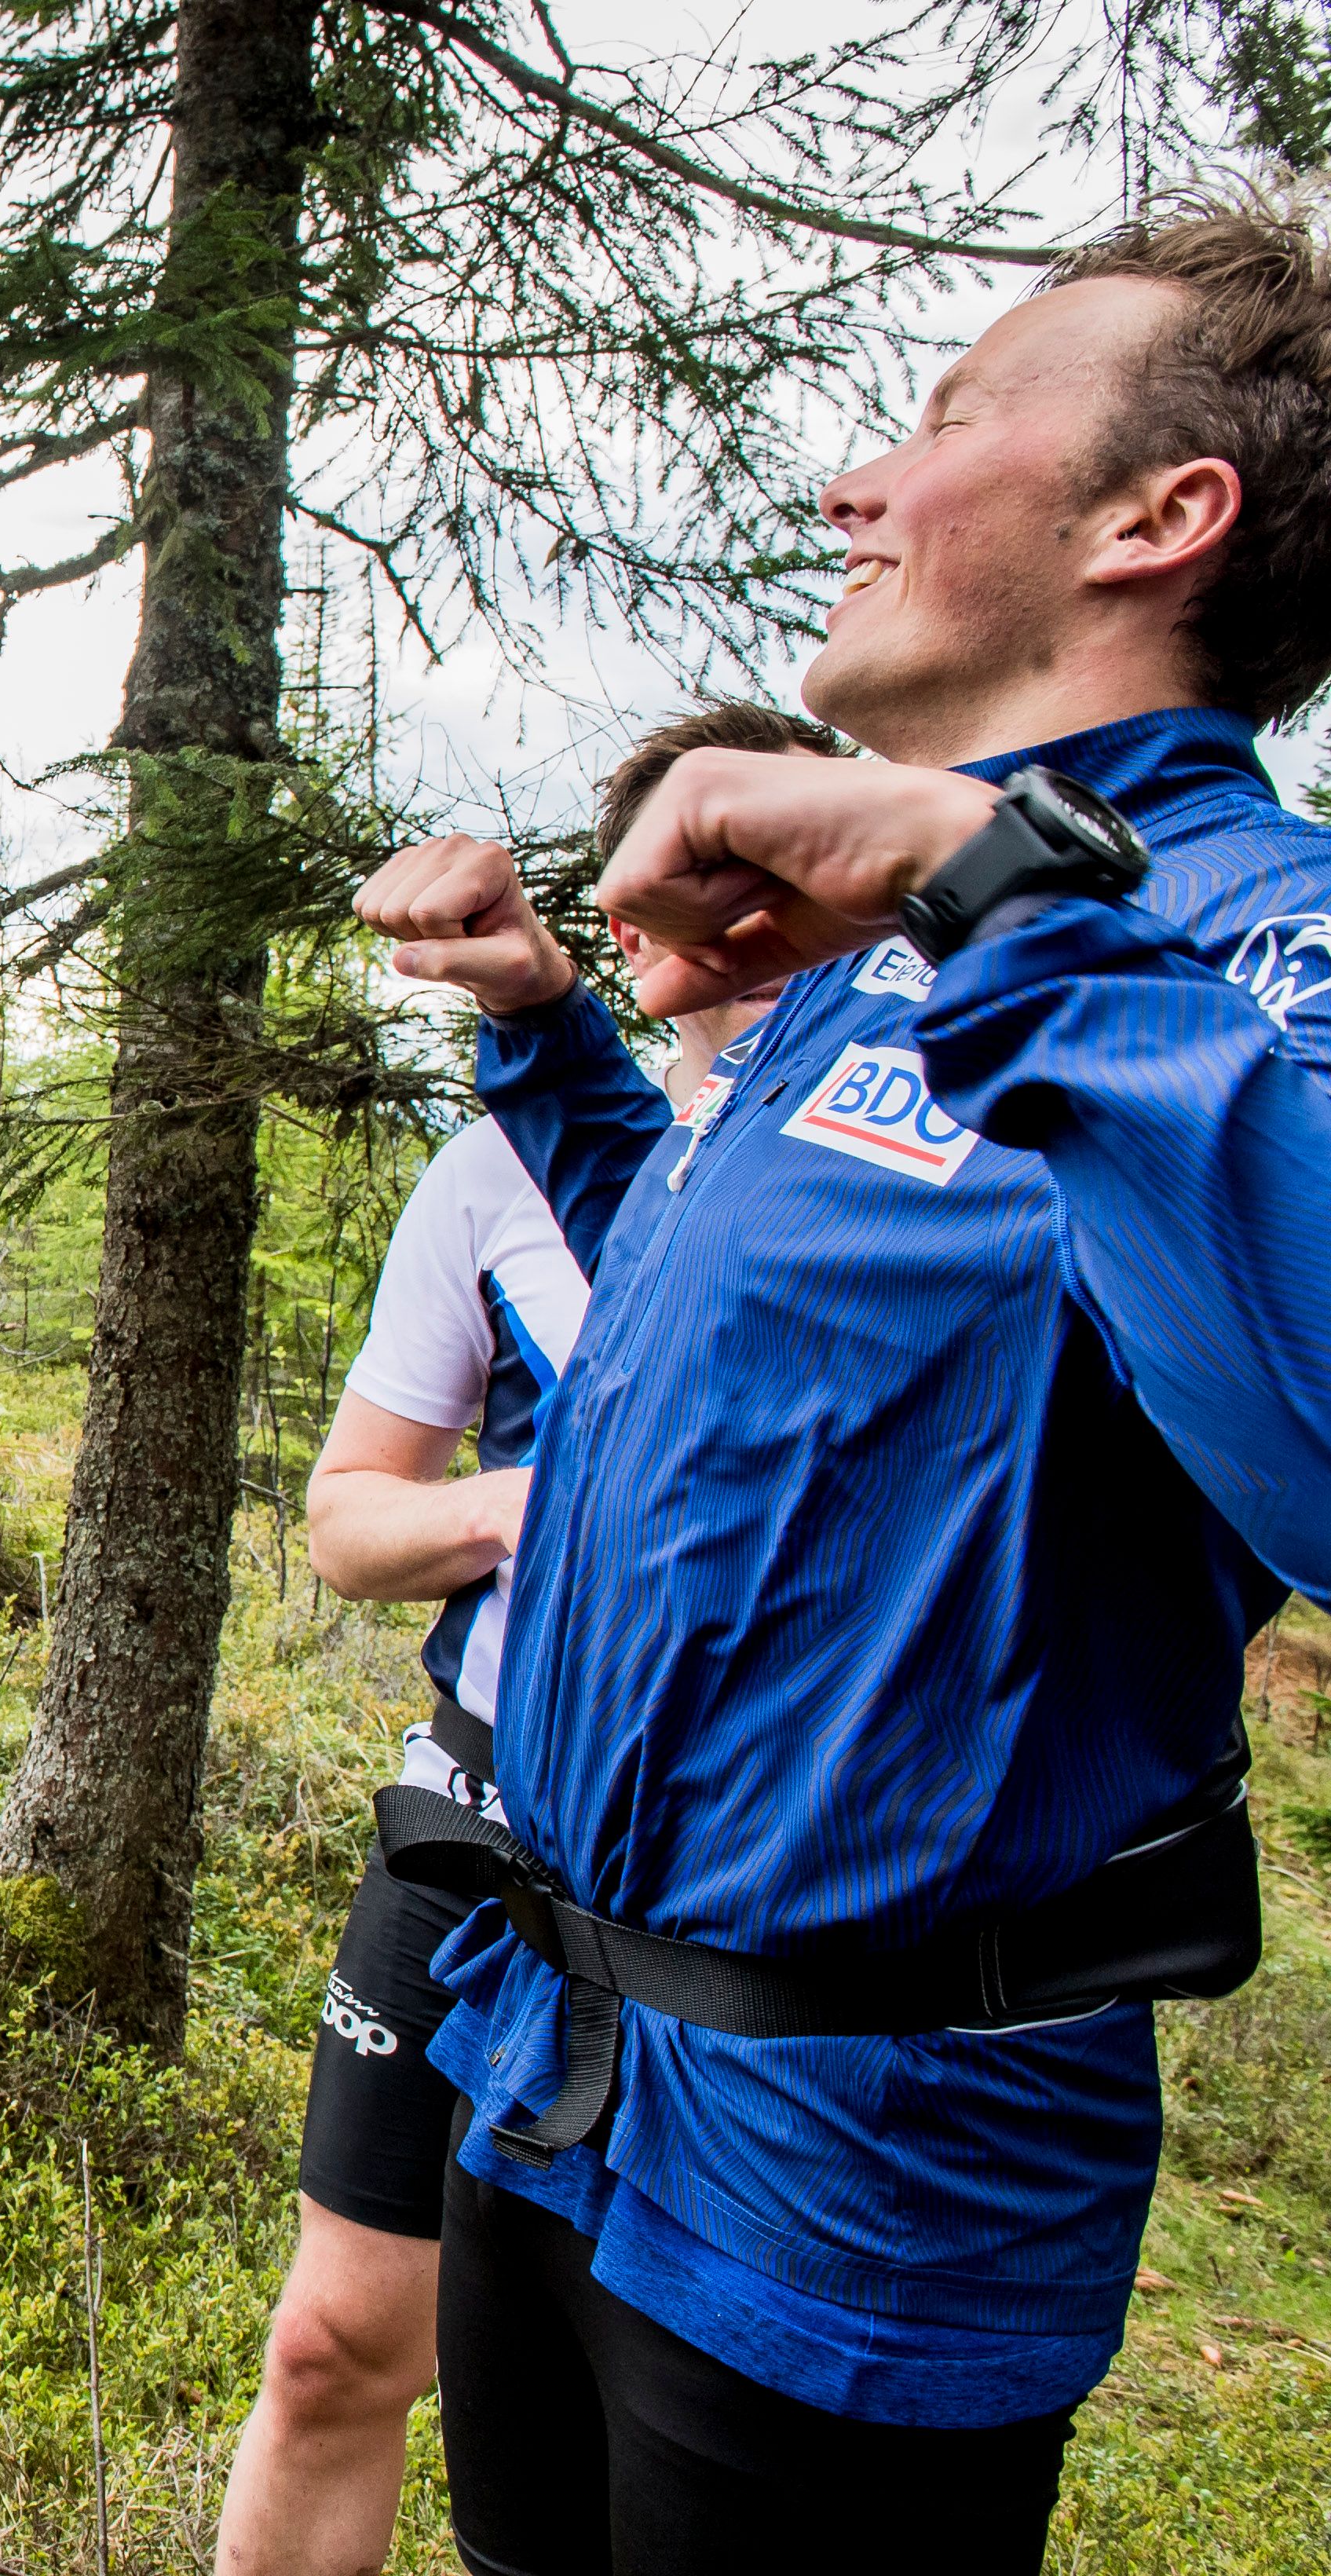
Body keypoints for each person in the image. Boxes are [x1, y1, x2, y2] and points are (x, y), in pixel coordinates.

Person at [349, 182, 1331, 2572]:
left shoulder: (1253, 945)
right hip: (559, 2068)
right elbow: (723, 1344)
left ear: (1158, 519)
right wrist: (550, 1031)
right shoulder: (886, 954)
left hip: (865, 2174)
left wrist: (989, 882)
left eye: (948, 420)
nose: (852, 485)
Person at [217, 705, 823, 2576]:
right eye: (684, 870)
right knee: (337, 2343)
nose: (731, 911)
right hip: (484, 1815)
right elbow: (344, 1519)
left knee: (644, 2402)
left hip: (742, 1871)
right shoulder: (494, 1172)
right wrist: (530, 1509)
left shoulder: (886, 1168)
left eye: (769, 862)